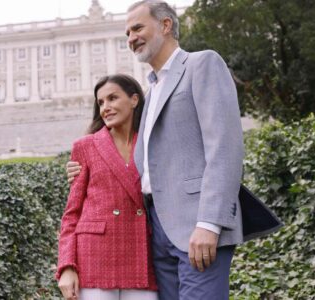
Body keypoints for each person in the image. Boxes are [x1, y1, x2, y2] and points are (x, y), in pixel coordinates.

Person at [67, 1, 245, 299]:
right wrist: (83, 166)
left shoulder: (202, 64)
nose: (131, 37)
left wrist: (209, 223)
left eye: (137, 28)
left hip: (195, 223)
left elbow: (224, 149)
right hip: (155, 231)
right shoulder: (150, 91)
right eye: (127, 32)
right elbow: (139, 157)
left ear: (165, 25)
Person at [57, 74, 158, 300]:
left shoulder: (152, 142)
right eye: (101, 102)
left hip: (141, 252)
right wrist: (66, 265)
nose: (106, 107)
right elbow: (71, 214)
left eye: (113, 98)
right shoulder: (85, 146)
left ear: (134, 100)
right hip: (94, 257)